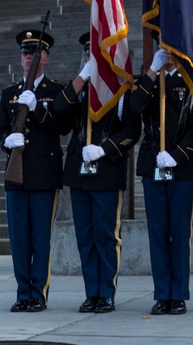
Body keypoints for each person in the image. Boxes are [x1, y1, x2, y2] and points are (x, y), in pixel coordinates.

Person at [53, 33, 141, 313]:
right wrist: (81, 78)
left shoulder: (122, 89)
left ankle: (106, 292)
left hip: (106, 169)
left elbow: (132, 131)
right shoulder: (79, 88)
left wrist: (106, 150)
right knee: (85, 236)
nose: (93, 59)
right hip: (78, 171)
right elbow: (57, 111)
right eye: (89, 54)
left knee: (105, 235)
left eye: (99, 55)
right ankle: (91, 291)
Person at [127, 46, 193, 315]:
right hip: (153, 165)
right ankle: (162, 294)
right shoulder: (149, 80)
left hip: (181, 168)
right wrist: (152, 70)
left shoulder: (192, 81)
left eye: (173, 46)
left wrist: (177, 155)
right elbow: (134, 107)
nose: (168, 52)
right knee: (158, 233)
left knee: (180, 232)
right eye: (163, 47)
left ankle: (179, 294)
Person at [0, 29, 68, 313]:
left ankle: (38, 293)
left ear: (45, 59)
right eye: (25, 54)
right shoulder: (9, 93)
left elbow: (63, 127)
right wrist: (6, 141)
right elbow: (1, 130)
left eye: (34, 54)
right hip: (17, 175)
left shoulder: (56, 91)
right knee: (20, 239)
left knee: (40, 238)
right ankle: (22, 292)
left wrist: (38, 109)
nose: (29, 59)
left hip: (44, 175)